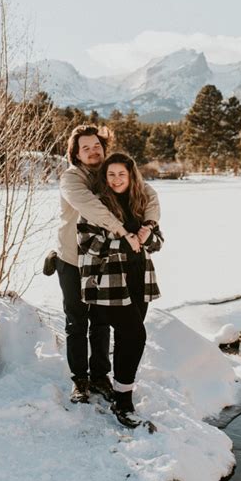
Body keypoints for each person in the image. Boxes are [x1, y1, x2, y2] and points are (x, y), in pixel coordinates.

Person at [52, 125, 160, 404]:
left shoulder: (109, 174)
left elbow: (148, 194)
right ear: (75, 153)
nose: (92, 151)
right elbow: (93, 210)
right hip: (74, 260)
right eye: (85, 147)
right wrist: (124, 233)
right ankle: (80, 379)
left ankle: (101, 375)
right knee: (77, 321)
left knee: (100, 322)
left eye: (96, 145)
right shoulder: (71, 178)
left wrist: (149, 225)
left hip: (104, 263)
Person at [77, 152, 163, 428]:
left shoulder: (140, 204)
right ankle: (123, 402)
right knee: (135, 335)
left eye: (121, 174)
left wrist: (149, 237)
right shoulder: (97, 205)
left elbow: (158, 242)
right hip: (110, 281)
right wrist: (122, 244)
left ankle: (120, 390)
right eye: (111, 174)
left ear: (131, 176)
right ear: (105, 177)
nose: (116, 180)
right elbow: (87, 242)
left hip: (140, 277)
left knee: (128, 339)